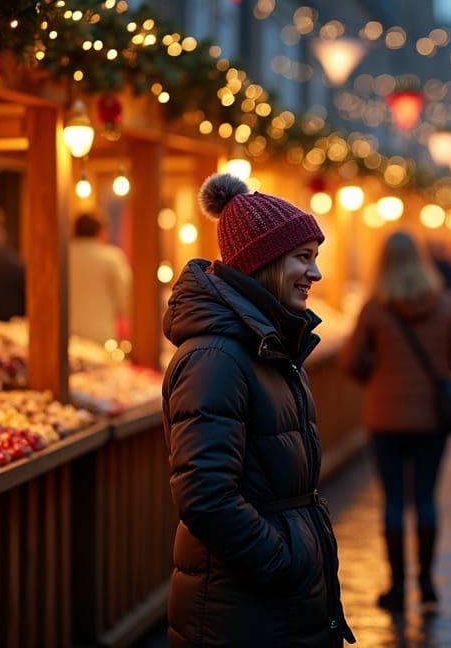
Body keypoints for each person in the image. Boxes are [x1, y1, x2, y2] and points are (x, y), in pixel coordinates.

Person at [161, 173, 355, 647]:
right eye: (303, 258)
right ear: (264, 263)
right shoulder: (218, 358)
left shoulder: (265, 347)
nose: (315, 274)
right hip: (243, 608)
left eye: (316, 258)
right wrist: (283, 561)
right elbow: (206, 494)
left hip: (272, 607)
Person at [337, 230, 451, 612]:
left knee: (395, 499)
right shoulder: (444, 302)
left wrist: (378, 377)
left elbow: (350, 361)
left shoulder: (375, 307)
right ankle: (428, 584)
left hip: (385, 416)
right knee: (427, 497)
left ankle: (396, 587)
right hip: (432, 417)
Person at [68, 211, 132, 345]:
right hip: (101, 338)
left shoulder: (62, 257)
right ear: (101, 232)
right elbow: (127, 300)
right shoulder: (111, 258)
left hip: (67, 335)